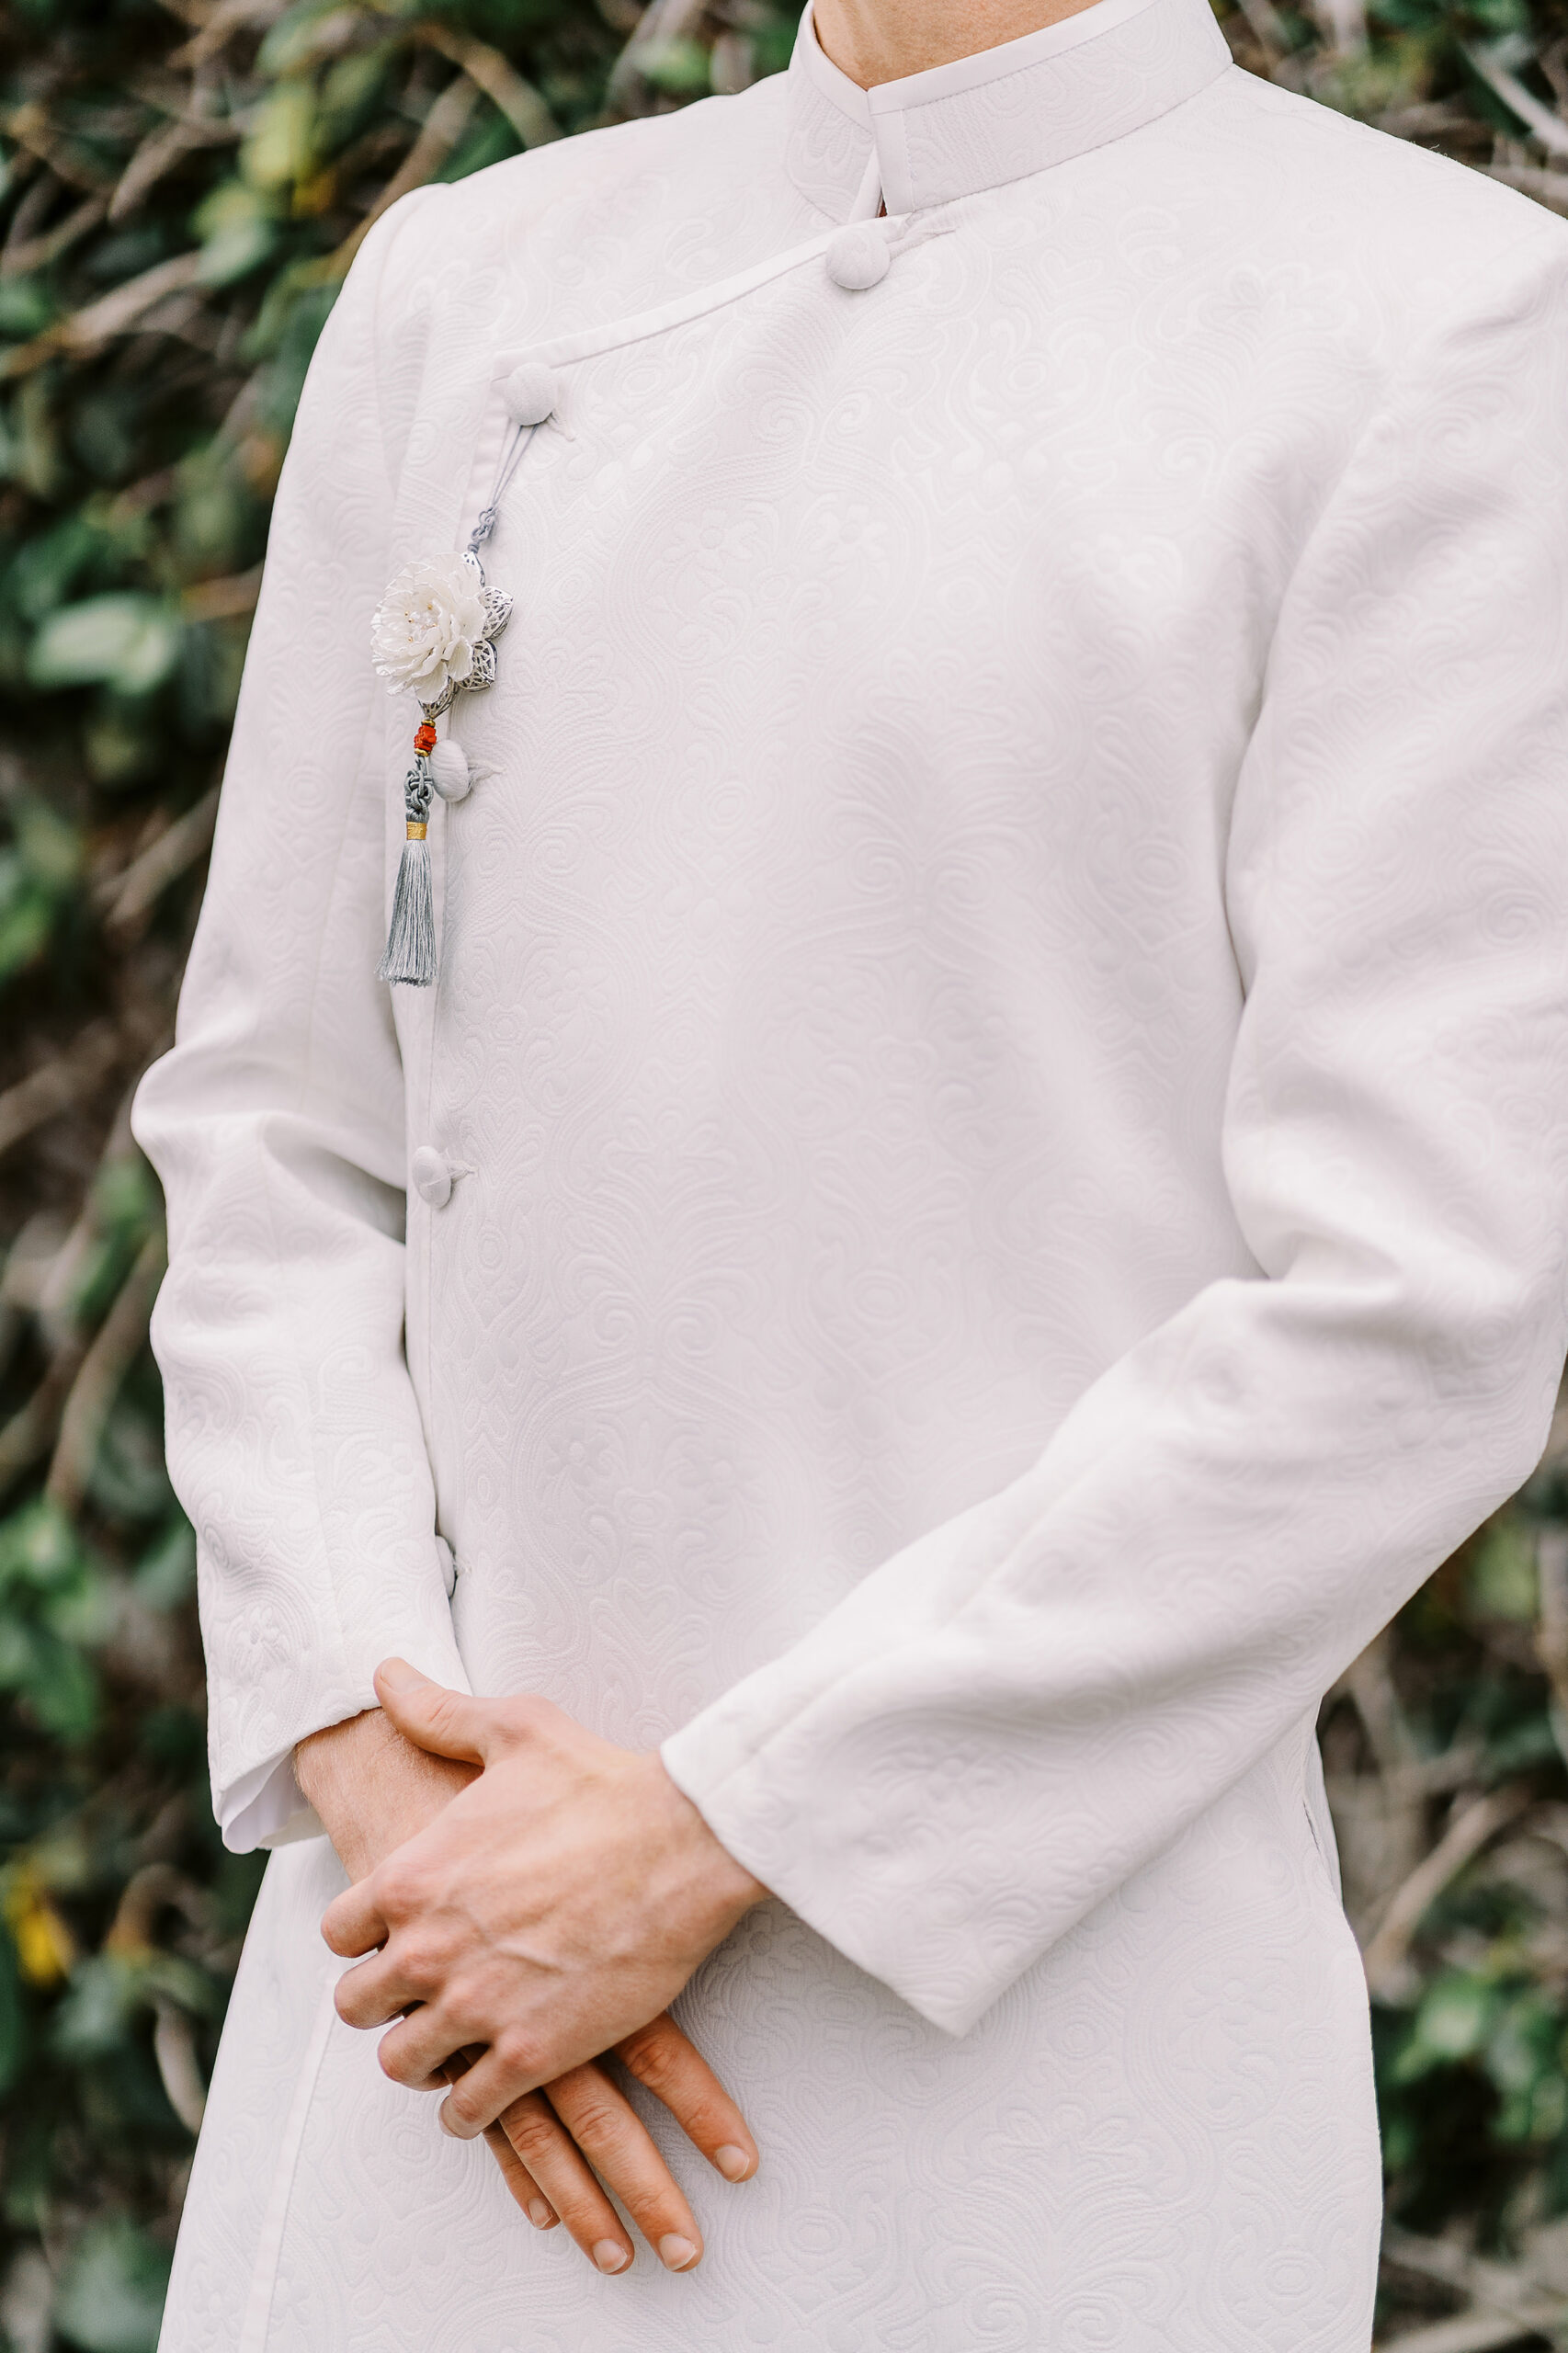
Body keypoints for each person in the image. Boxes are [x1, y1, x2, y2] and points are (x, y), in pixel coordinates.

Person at [131, 0, 1568, 2336]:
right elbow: (273, 1121)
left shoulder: (1435, 321)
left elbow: (1418, 1304)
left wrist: (729, 1825)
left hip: (1022, 2043)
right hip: (428, 1998)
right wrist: (367, 1746)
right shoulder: (471, 283)